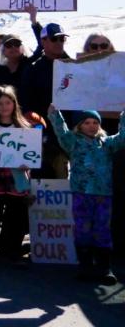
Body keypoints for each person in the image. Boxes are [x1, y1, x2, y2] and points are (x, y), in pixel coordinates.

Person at [49, 104, 125, 285]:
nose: (92, 126)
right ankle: (84, 265)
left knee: (102, 229)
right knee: (83, 228)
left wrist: (124, 115)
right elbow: (61, 130)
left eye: (95, 122)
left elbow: (123, 137)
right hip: (81, 194)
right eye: (87, 123)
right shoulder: (72, 141)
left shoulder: (107, 143)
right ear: (79, 126)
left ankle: (105, 267)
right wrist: (54, 113)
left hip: (103, 194)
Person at [0, 86, 33, 266]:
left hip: (17, 180)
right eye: (0, 103)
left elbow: (32, 155)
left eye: (7, 103)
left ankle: (12, 251)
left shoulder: (24, 128)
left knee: (15, 215)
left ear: (14, 104)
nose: (4, 107)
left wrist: (28, 164)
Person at [23, 22, 73, 178]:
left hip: (70, 135)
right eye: (54, 39)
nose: (59, 43)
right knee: (42, 181)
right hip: (43, 137)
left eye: (62, 39)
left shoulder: (75, 66)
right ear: (43, 41)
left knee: (65, 182)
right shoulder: (33, 69)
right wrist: (39, 132)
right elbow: (26, 104)